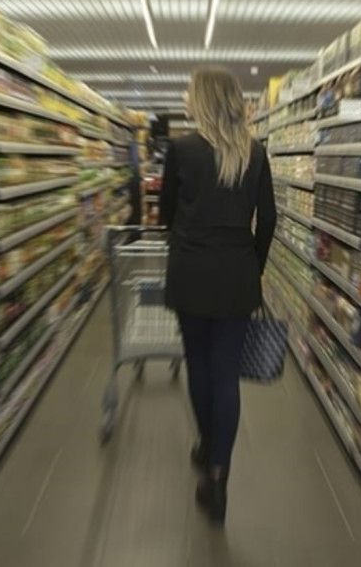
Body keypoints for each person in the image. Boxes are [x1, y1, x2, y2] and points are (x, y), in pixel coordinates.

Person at [159, 67, 276, 525]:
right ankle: (218, 476)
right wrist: (253, 267)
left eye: (190, 92)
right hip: (236, 278)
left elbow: (166, 213)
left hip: (190, 274)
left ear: (203, 100)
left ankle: (207, 445)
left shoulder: (181, 149)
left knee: (199, 366)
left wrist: (187, 237)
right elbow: (268, 219)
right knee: (226, 375)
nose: (185, 99)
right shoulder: (256, 152)